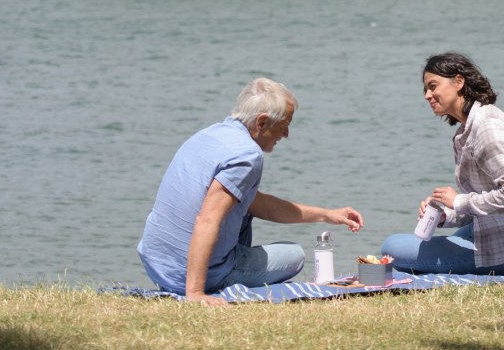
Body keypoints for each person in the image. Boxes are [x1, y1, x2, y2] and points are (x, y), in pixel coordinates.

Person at [138, 77, 362, 304]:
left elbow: (259, 204)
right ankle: (217, 276)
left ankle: (218, 269)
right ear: (262, 122)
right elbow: (207, 218)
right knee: (295, 256)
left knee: (243, 206)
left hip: (157, 265)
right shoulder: (247, 155)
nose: (286, 134)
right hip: (183, 277)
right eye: (284, 124)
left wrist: (326, 214)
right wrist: (195, 293)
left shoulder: (209, 135)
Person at [381, 52, 504, 274]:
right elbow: (488, 202)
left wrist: (458, 200)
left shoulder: (488, 128)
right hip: (500, 232)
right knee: (438, 240)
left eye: (433, 86)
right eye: (425, 90)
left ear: (459, 82)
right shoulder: (469, 129)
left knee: (391, 246)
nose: (427, 95)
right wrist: (447, 214)